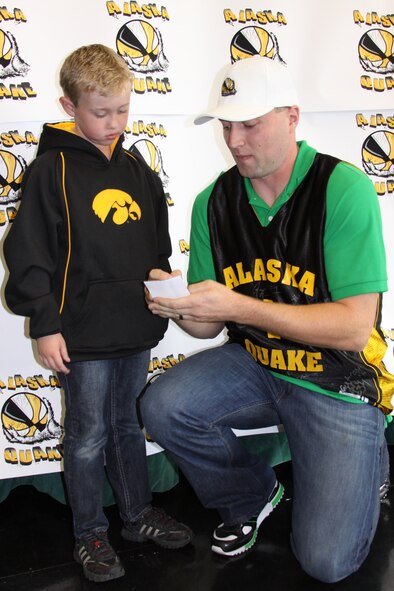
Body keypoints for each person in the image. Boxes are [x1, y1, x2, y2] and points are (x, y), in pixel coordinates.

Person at [139, 56, 393, 584]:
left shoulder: (342, 190)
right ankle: (252, 497)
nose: (235, 140)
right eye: (227, 125)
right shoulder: (213, 202)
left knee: (326, 563)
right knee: (163, 404)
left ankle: (373, 466)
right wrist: (182, 306)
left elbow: (352, 327)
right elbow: (209, 330)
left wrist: (238, 307)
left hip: (337, 378)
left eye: (250, 123)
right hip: (257, 361)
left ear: (292, 117)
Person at [3, 44, 192, 583]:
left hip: (134, 327)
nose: (113, 124)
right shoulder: (49, 171)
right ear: (69, 105)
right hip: (80, 336)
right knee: (86, 437)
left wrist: (164, 287)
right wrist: (44, 322)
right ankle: (89, 532)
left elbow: (157, 251)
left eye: (122, 111)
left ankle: (136, 516)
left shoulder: (139, 170)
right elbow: (28, 253)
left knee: (128, 427)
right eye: (99, 112)